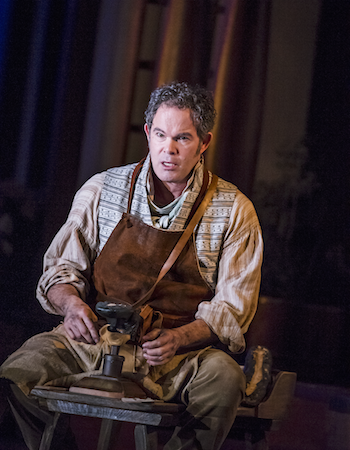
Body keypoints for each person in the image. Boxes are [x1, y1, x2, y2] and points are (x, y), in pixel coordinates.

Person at [0, 82, 264, 450]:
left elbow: (233, 309)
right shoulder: (102, 189)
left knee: (225, 378)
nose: (167, 149)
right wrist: (72, 305)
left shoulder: (233, 210)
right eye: (160, 134)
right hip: (96, 342)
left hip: (178, 357)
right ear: (147, 133)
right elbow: (61, 270)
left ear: (204, 142)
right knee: (18, 371)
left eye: (183, 139)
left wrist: (179, 338)